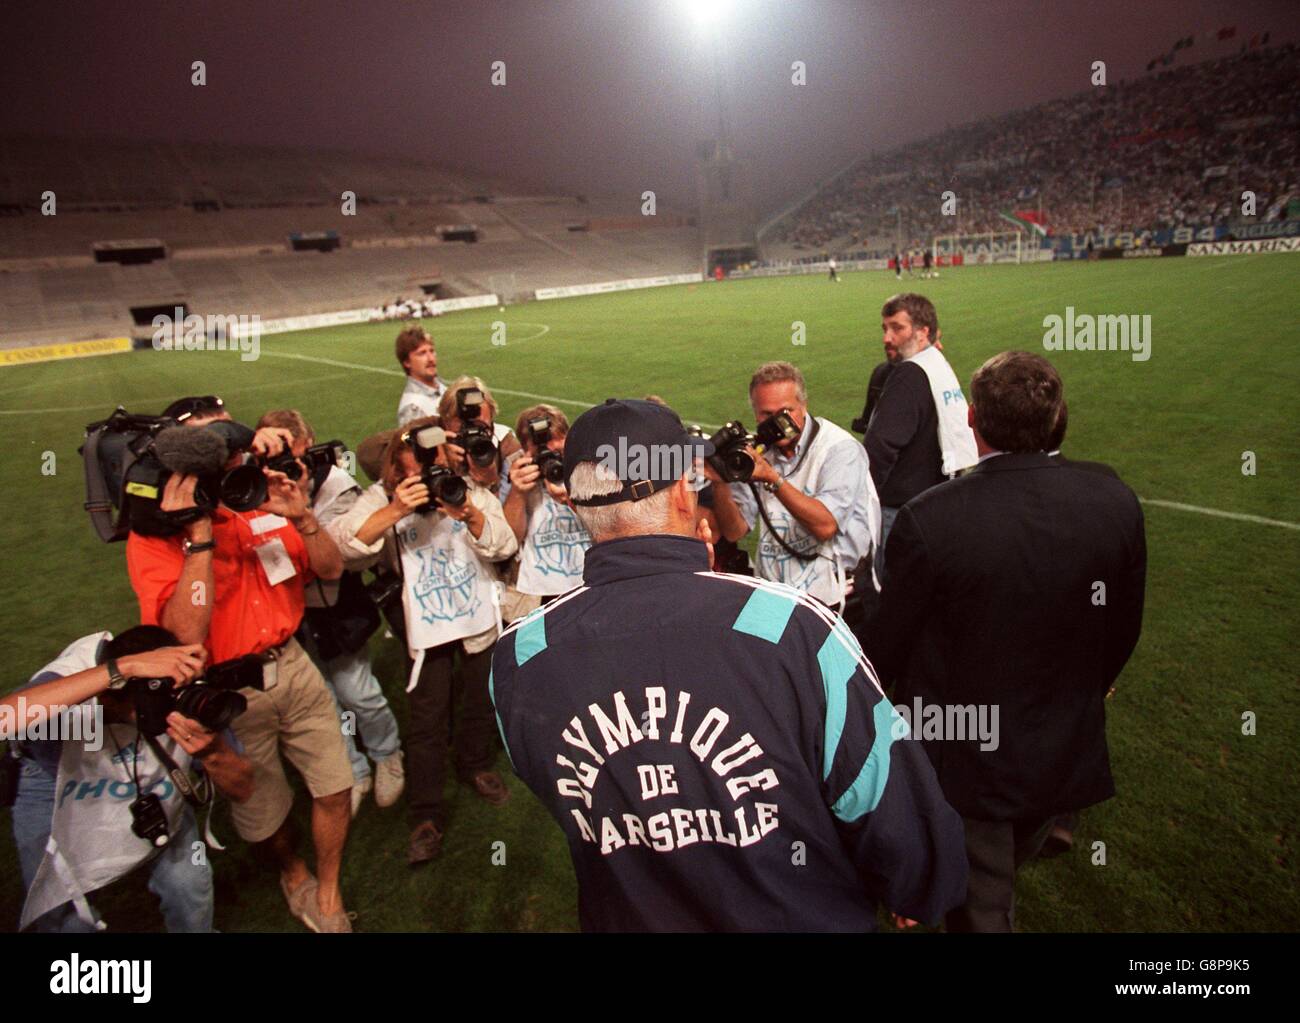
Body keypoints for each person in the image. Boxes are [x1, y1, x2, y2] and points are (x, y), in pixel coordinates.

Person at [489, 397, 968, 931]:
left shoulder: (519, 656)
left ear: (577, 507)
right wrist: (917, 886)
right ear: (679, 494)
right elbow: (894, 812)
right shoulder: (793, 629)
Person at [860, 352, 1147, 932]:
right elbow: (1122, 629)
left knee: (983, 908)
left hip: (972, 762)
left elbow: (886, 651)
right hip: (1063, 744)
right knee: (999, 873)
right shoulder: (1113, 498)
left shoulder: (932, 517)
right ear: (1059, 417)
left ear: (972, 420)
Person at [126, 395, 357, 933]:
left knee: (335, 786)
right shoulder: (157, 532)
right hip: (228, 688)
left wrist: (302, 517)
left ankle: (327, 889)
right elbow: (184, 634)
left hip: (294, 664)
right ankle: (291, 869)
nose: (232, 455)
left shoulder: (259, 497)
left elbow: (329, 571)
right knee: (263, 812)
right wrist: (200, 535)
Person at [335, 417, 519, 865]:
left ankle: (475, 765)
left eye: (440, 457)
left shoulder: (466, 489)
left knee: (479, 700)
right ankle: (426, 811)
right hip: (426, 628)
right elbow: (345, 549)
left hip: (476, 619)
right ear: (397, 463)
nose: (434, 467)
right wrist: (397, 510)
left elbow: (504, 545)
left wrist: (471, 514)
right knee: (427, 719)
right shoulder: (382, 497)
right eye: (422, 459)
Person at [5, 626, 252, 932]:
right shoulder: (75, 679)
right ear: (110, 698)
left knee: (189, 882)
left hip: (147, 770)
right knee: (57, 910)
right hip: (57, 776)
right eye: (160, 696)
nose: (174, 703)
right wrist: (123, 668)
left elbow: (243, 789)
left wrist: (214, 753)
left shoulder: (183, 687)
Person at [256, 410, 405, 819]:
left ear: (311, 446)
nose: (293, 467)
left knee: (358, 692)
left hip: (336, 607)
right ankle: (353, 769)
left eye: (298, 455)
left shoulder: (337, 483)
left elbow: (342, 554)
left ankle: (387, 753)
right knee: (322, 700)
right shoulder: (256, 488)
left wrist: (302, 507)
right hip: (285, 612)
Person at [707, 362, 880, 622]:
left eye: (786, 411)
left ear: (804, 405)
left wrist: (771, 478)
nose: (778, 422)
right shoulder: (757, 452)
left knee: (823, 663)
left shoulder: (839, 449)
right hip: (773, 592)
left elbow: (825, 526)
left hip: (834, 593)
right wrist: (720, 481)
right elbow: (735, 530)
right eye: (767, 415)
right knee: (760, 659)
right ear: (755, 415)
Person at [864, 294, 977, 560]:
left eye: (897, 328)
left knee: (886, 592)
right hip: (939, 499)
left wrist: (861, 499)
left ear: (923, 332)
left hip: (900, 510)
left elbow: (880, 446)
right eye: (884, 328)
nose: (887, 338)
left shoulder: (910, 374)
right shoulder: (936, 364)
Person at [502, 404, 592, 601]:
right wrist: (517, 492)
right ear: (525, 452)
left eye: (558, 452)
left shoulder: (591, 469)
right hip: (540, 593)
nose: (552, 460)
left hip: (592, 584)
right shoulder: (520, 480)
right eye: (542, 455)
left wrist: (570, 499)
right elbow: (508, 542)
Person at [437, 376, 524, 502]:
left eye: (481, 427)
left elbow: (508, 520)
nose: (473, 435)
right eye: (464, 428)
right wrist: (441, 464)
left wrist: (492, 483)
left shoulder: (505, 445)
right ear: (445, 422)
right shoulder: (431, 448)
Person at [396, 326, 448, 427]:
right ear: (407, 362)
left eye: (432, 351)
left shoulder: (443, 389)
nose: (430, 358)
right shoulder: (412, 407)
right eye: (422, 353)